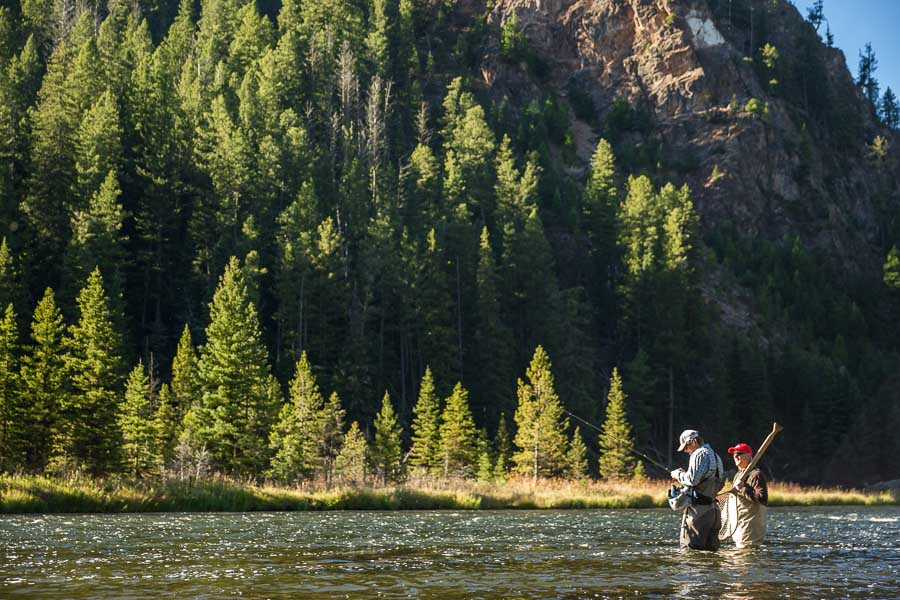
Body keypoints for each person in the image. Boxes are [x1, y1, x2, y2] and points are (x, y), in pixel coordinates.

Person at [670, 429, 724, 551]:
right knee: (711, 553)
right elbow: (720, 484)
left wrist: (677, 474)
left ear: (693, 442)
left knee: (691, 552)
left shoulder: (699, 454)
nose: (686, 451)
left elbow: (692, 480)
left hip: (699, 513)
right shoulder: (716, 456)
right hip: (714, 512)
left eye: (686, 447)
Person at [726, 442, 768, 548]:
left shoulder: (756, 475)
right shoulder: (738, 475)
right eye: (734, 454)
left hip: (751, 530)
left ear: (749, 456)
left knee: (748, 555)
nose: (735, 456)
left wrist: (743, 488)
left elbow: (762, 499)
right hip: (739, 527)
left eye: (739, 454)